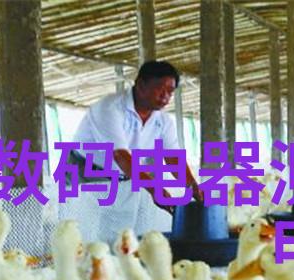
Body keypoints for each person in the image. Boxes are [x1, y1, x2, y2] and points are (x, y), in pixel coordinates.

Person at [68, 60, 202, 241]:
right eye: (160, 88)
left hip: (127, 174)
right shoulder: (110, 108)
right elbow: (119, 155)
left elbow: (172, 157)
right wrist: (155, 189)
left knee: (119, 233)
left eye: (170, 92)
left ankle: (114, 256)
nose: (165, 96)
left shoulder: (163, 121)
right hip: (86, 173)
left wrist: (192, 186)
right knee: (81, 233)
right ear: (140, 84)